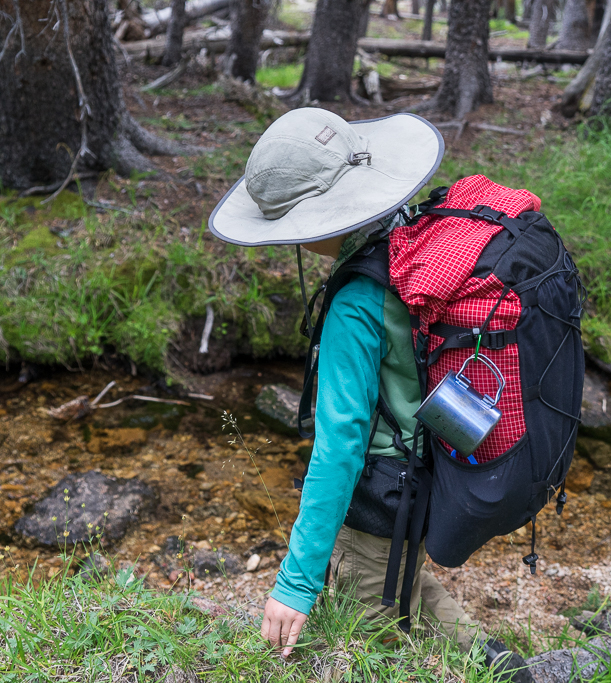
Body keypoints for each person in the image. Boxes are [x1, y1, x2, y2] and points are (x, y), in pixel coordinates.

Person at [209, 107, 533, 683]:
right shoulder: (423, 247)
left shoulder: (358, 303)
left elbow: (339, 448)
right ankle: (499, 664)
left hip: (384, 493)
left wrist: (296, 583)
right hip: (438, 466)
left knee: (366, 640)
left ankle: (494, 671)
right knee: (400, 578)